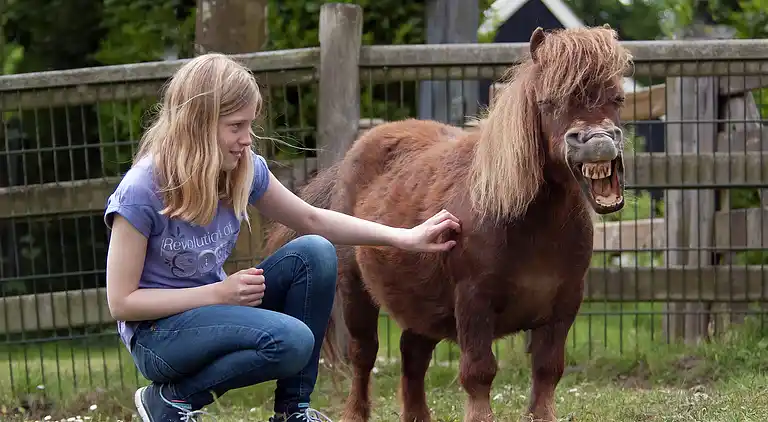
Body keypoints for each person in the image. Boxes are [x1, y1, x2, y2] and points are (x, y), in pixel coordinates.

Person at [103, 52, 461, 422]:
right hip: (158, 336)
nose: (247, 139)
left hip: (213, 311)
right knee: (292, 341)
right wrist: (218, 293)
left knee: (316, 252)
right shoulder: (142, 191)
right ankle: (171, 401)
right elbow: (123, 303)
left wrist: (405, 236)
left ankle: (293, 412)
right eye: (235, 127)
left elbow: (311, 218)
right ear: (198, 123)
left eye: (250, 126)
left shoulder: (241, 169)